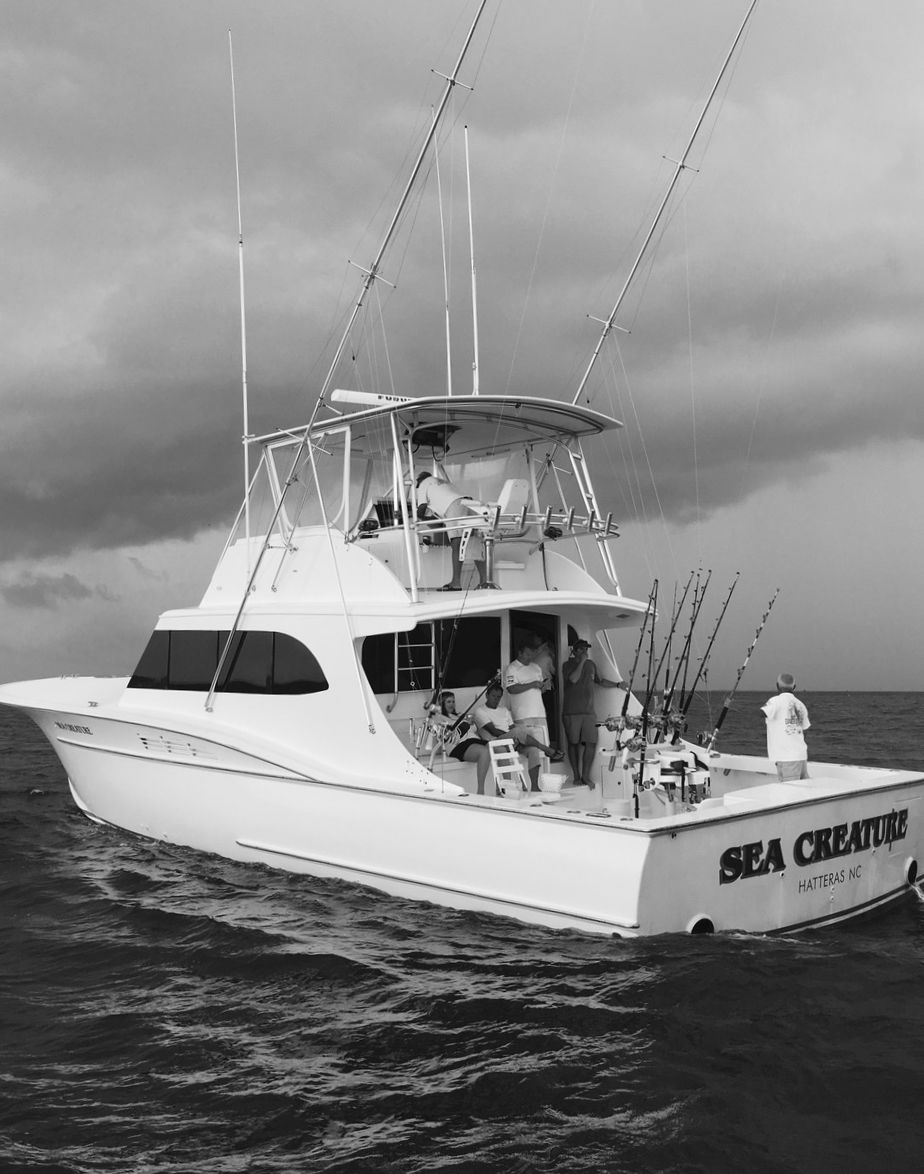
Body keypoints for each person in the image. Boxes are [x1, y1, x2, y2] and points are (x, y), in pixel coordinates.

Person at [473, 682, 563, 793]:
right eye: (493, 696)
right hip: (496, 741)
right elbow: (493, 731)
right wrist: (514, 736)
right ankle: (546, 748)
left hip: (512, 741)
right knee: (518, 731)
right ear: (487, 695)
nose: (496, 699)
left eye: (498, 697)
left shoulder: (504, 710)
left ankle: (534, 786)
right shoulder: (480, 711)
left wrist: (515, 737)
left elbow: (511, 727)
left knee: (533, 750)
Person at [562, 637, 625, 788]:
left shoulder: (591, 665)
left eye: (586, 649)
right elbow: (573, 679)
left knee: (591, 742)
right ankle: (576, 776)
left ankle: (585, 776)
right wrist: (582, 662)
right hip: (572, 712)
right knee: (573, 744)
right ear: (575, 651)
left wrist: (617, 684)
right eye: (582, 649)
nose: (585, 652)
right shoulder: (567, 665)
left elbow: (600, 681)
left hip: (589, 713)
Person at [504, 635, 560, 789]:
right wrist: (531, 684)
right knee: (532, 748)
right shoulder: (512, 668)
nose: (530, 657)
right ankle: (526, 783)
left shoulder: (536, 668)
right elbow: (511, 689)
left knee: (543, 749)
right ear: (520, 653)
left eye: (532, 654)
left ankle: (544, 783)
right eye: (528, 654)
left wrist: (542, 686)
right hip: (523, 715)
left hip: (540, 713)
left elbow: (539, 689)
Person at [415, 471, 488, 590]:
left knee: (456, 543)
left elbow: (422, 508)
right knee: (475, 543)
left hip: (454, 505)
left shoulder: (423, 484)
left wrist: (414, 517)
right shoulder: (442, 483)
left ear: (419, 482)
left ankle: (456, 582)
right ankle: (484, 582)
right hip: (470, 503)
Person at [438, 690, 493, 795]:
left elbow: (473, 729)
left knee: (500, 749)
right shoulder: (440, 718)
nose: (452, 704)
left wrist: (471, 723)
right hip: (457, 746)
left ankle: (505, 786)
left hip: (473, 740)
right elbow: (443, 736)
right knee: (484, 752)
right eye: (448, 702)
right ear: (442, 704)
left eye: (453, 701)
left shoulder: (459, 715)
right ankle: (480, 790)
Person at [761, 673, 811, 781]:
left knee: (790, 795)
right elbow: (804, 727)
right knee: (802, 792)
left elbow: (762, 713)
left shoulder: (775, 701)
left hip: (787, 759)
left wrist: (733, 706)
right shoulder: (800, 704)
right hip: (801, 757)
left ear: (777, 686)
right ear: (794, 687)